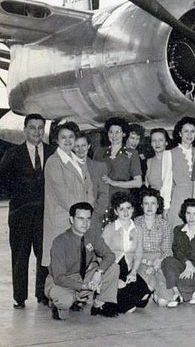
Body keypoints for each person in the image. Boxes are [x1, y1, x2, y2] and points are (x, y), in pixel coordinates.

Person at [0, 113, 55, 308]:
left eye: (41, 127)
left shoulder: (52, 152)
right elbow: (2, 182)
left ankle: (42, 294)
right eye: (32, 127)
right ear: (25, 130)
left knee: (44, 256)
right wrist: (18, 194)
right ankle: (19, 298)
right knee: (20, 257)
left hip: (44, 217)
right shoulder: (13, 154)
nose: (37, 132)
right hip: (20, 216)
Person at [45, 202, 119, 320]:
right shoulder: (60, 242)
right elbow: (59, 277)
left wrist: (98, 272)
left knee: (113, 267)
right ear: (71, 219)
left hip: (84, 276)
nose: (85, 223)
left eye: (88, 219)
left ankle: (99, 303)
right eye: (80, 219)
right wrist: (84, 286)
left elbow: (109, 255)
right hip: (63, 281)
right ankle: (60, 304)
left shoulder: (92, 235)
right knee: (65, 301)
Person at [42, 122, 94, 268]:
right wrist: (83, 214)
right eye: (63, 137)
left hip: (79, 220)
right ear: (56, 140)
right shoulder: (53, 162)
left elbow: (89, 187)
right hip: (63, 223)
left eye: (71, 137)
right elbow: (63, 196)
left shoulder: (78, 160)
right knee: (61, 270)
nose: (68, 140)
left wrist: (87, 211)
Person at [101, 191, 151, 313]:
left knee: (144, 297)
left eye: (128, 208)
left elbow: (138, 253)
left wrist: (133, 272)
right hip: (113, 268)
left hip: (128, 268)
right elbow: (101, 255)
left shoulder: (138, 229)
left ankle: (119, 295)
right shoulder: (109, 229)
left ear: (133, 209)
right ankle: (108, 298)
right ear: (116, 211)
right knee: (130, 308)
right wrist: (113, 279)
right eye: (121, 209)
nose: (125, 212)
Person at [161, 198, 195, 306]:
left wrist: (192, 268)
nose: (191, 217)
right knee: (167, 261)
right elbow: (176, 251)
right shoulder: (178, 230)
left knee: (182, 283)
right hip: (184, 265)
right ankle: (177, 294)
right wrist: (187, 263)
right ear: (184, 213)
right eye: (188, 213)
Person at [134, 188, 174, 306]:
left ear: (158, 205)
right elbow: (132, 249)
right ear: (141, 205)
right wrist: (145, 262)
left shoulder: (165, 224)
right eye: (146, 203)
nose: (149, 207)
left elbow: (167, 250)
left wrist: (159, 262)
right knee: (146, 285)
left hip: (159, 261)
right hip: (141, 261)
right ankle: (151, 290)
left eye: (153, 203)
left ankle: (158, 294)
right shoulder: (135, 223)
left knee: (163, 302)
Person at [94, 117, 142, 201]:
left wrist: (113, 182)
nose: (114, 135)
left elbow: (138, 183)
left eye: (118, 132)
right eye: (111, 132)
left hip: (121, 200)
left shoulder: (132, 154)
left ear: (123, 134)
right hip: (101, 199)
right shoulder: (99, 152)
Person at [167, 117, 195, 228]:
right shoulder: (169, 153)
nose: (189, 135)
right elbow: (167, 184)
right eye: (186, 131)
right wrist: (166, 207)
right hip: (178, 198)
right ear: (180, 133)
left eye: (192, 131)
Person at [73, 133, 110, 230]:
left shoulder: (100, 166)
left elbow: (104, 193)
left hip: (94, 217)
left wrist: (96, 212)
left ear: (89, 146)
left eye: (83, 145)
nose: (81, 149)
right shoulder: (68, 167)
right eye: (77, 146)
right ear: (72, 147)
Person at [144, 128, 174, 218]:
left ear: (166, 142)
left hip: (171, 206)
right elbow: (146, 187)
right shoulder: (148, 162)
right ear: (151, 143)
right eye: (154, 140)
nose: (157, 143)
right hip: (153, 208)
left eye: (160, 140)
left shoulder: (173, 160)